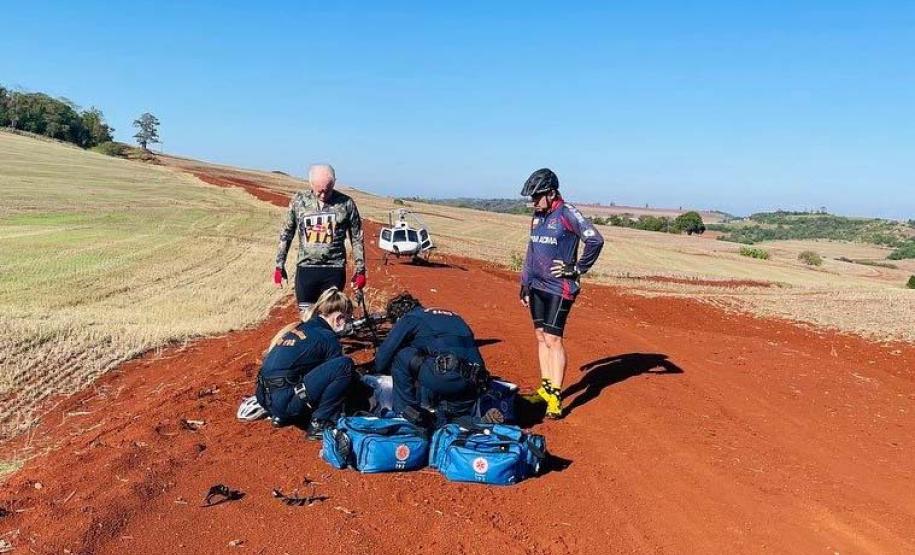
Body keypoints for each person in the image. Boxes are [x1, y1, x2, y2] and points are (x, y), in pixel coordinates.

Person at [519, 168, 604, 419]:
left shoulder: (567, 213)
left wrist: (577, 268)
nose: (533, 202)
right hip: (537, 286)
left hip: (559, 288)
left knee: (554, 340)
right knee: (540, 336)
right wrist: (524, 283)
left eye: (536, 197)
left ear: (551, 193)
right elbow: (531, 250)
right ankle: (546, 388)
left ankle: (555, 394)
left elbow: (595, 240)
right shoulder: (538, 216)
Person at [255, 287, 356, 439]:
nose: (348, 324)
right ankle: (320, 422)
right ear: (339, 319)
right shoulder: (328, 338)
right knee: (344, 365)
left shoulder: (302, 327)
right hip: (284, 402)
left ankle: (283, 415)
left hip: (264, 398)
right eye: (348, 319)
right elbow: (338, 377)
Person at [373, 293, 488, 425]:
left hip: (448, 379)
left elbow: (381, 360)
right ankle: (467, 421)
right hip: (476, 384)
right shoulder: (453, 316)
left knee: (401, 356)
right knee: (448, 418)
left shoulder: (410, 318)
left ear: (398, 316)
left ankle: (404, 416)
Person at [274, 164, 367, 313]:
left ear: (334, 182)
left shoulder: (346, 204)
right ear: (311, 184)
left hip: (334, 270)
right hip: (306, 269)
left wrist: (360, 270)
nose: (324, 195)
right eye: (319, 191)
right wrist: (279, 265)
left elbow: (356, 238)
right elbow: (287, 233)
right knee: (307, 319)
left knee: (330, 317)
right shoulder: (299, 201)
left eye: (328, 190)